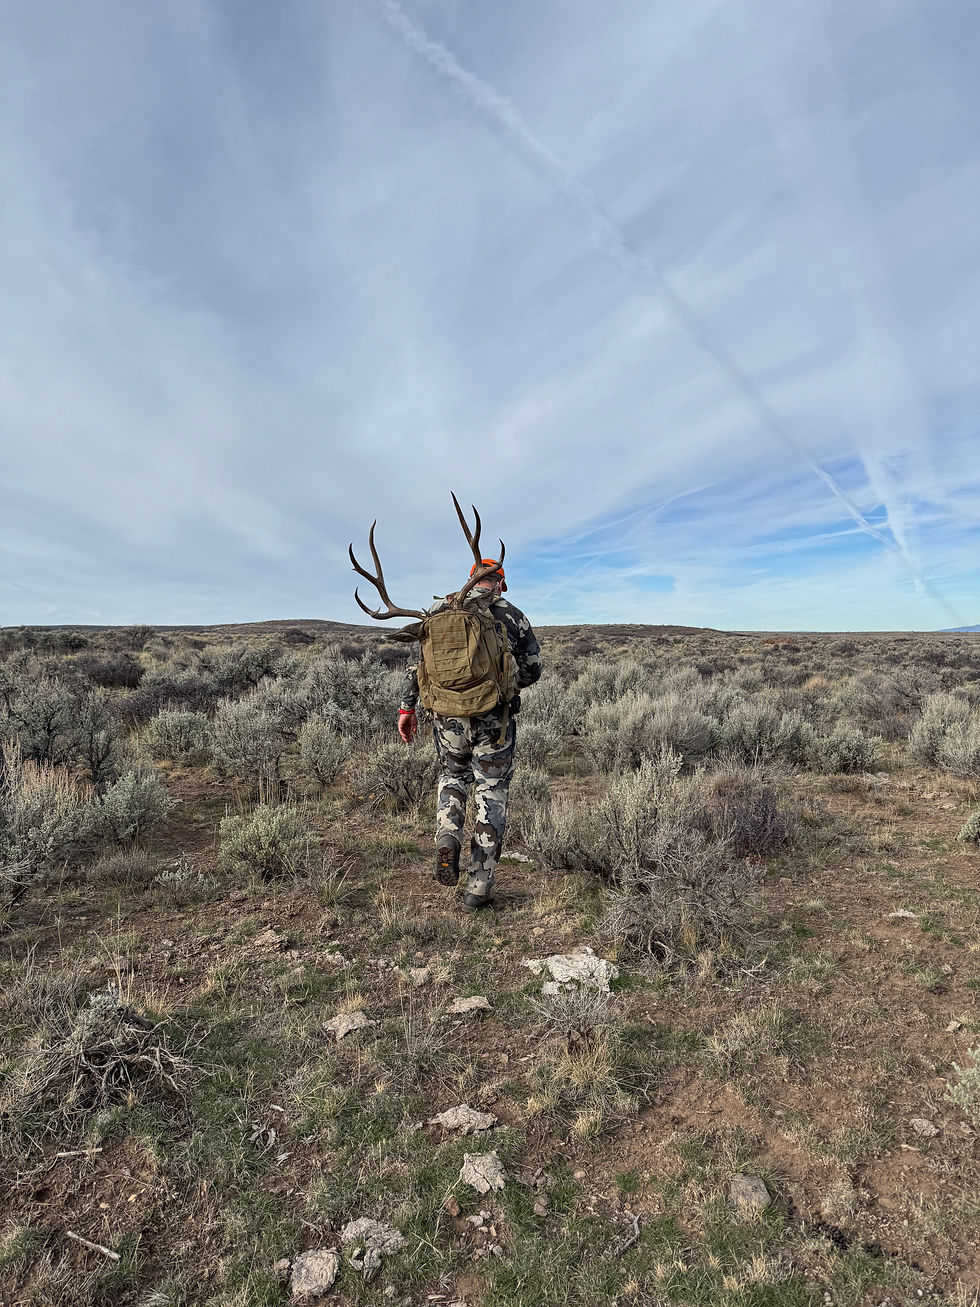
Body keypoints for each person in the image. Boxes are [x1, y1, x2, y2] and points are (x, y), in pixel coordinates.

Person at [396, 558, 541, 910]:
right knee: (491, 791)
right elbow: (533, 669)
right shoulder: (510, 614)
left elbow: (420, 666)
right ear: (500, 584)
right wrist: (505, 686)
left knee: (452, 776)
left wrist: (406, 708)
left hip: (447, 718)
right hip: (495, 718)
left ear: (470, 579)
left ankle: (448, 835)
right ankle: (478, 887)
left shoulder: (438, 609)